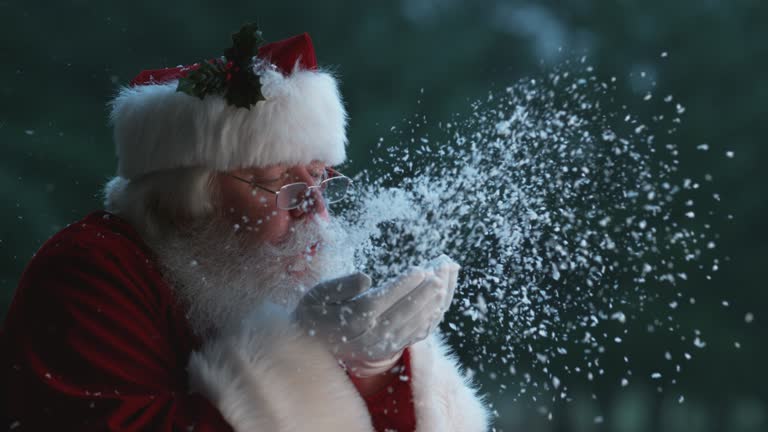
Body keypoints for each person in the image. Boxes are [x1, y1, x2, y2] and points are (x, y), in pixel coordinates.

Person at [1, 26, 490, 431]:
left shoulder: (257, 270)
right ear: (187, 200)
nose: (315, 210)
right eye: (274, 181)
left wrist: (372, 371)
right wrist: (307, 357)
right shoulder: (89, 273)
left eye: (319, 178)